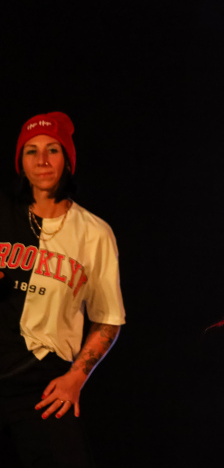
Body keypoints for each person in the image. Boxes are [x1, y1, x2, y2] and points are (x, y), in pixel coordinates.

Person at [0, 112, 125, 467]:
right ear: (21, 162)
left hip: (42, 385)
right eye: (31, 151)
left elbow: (108, 319)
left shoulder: (94, 233)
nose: (42, 160)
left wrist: (75, 378)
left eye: (52, 150)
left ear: (67, 160)